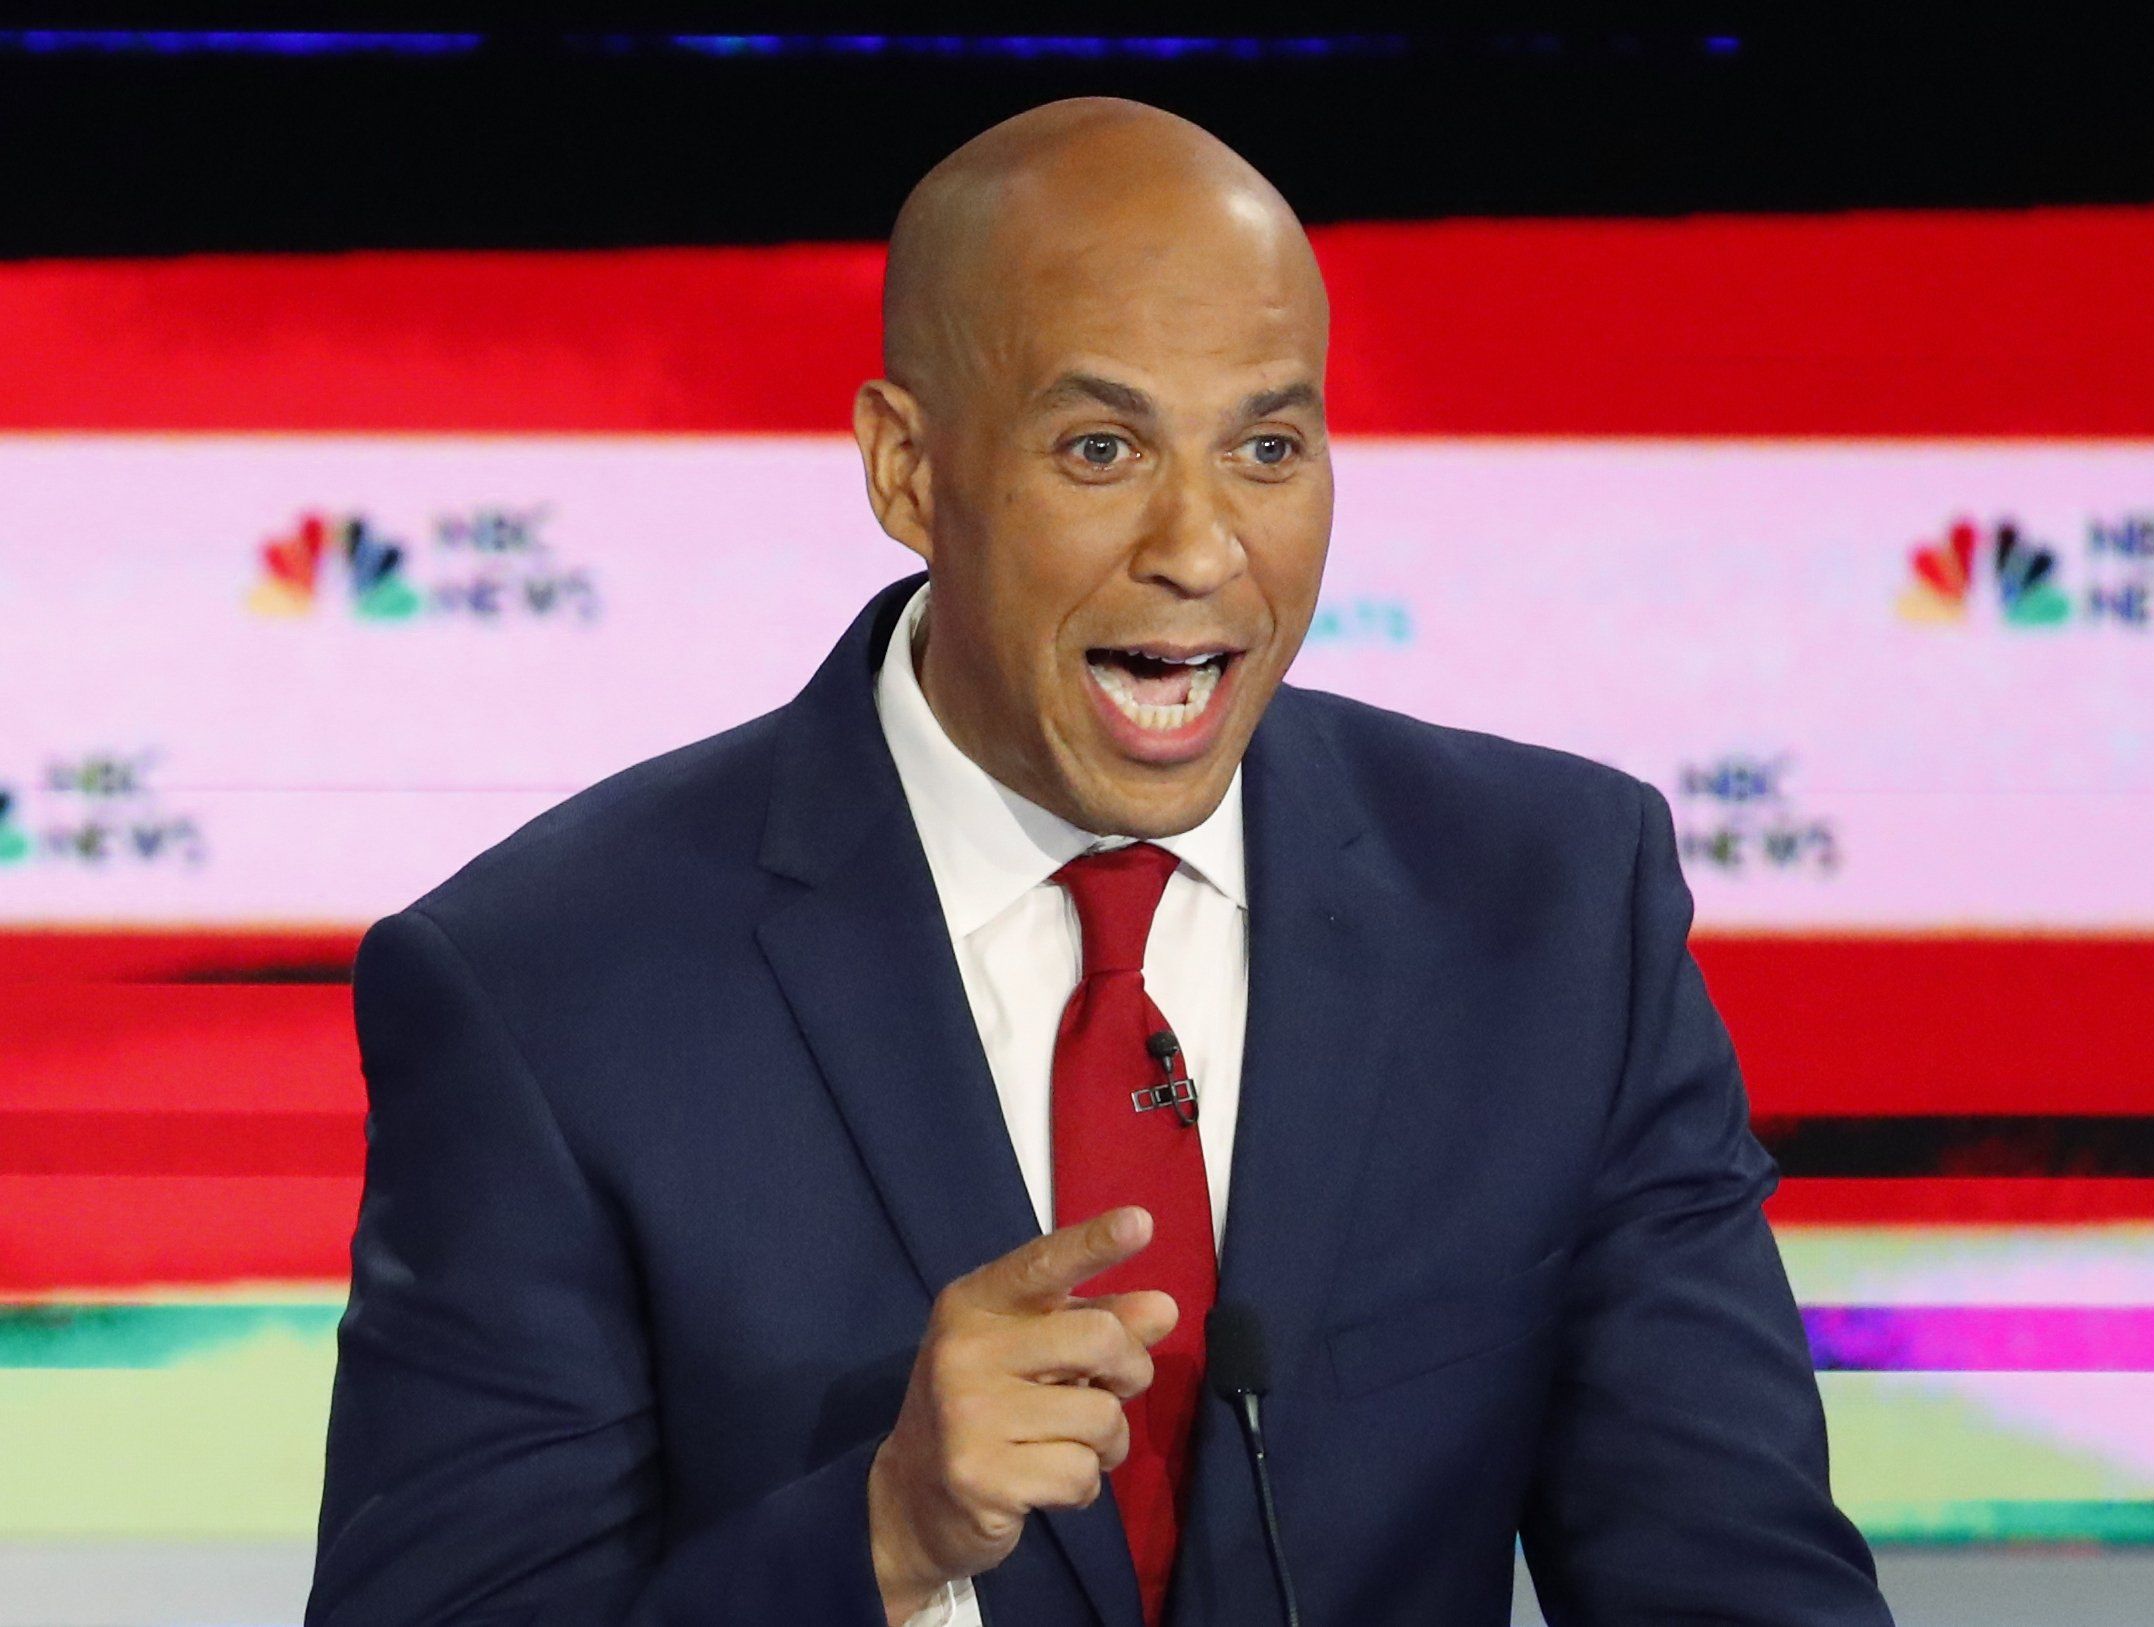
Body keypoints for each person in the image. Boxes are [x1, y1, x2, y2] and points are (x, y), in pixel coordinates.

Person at [305, 97, 1892, 1627]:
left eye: (1268, 447)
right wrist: (882, 1538)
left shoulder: (1553, 913)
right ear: (908, 472)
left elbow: (1738, 1583)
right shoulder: (548, 989)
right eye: (1098, 449)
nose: (1202, 549)